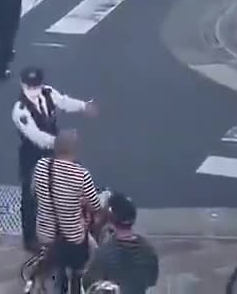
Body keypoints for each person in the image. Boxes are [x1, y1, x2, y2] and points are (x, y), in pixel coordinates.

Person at [13, 66, 97, 252]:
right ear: (22, 84)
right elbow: (36, 136)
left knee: (74, 175)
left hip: (56, 146)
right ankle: (30, 239)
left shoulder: (49, 93)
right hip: (33, 153)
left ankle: (73, 222)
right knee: (30, 195)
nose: (33, 90)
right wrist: (62, 143)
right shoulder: (20, 110)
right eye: (29, 86)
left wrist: (83, 106)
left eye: (36, 85)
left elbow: (64, 102)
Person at [31, 130, 104, 294]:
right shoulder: (81, 175)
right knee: (94, 252)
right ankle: (79, 279)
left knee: (56, 263)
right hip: (73, 239)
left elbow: (35, 192)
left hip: (45, 233)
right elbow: (95, 205)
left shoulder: (41, 166)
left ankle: (54, 279)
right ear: (75, 150)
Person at [83, 193, 160, 294]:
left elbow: (88, 285)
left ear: (110, 217)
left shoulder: (103, 254)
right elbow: (152, 280)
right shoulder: (148, 250)